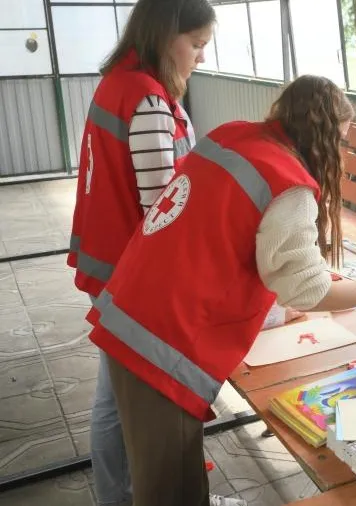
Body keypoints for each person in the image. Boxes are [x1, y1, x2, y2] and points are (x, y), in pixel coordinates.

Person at [84, 75, 356, 506]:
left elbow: (230, 241)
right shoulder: (288, 183)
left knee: (173, 466)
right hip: (160, 342)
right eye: (340, 139)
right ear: (321, 134)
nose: (342, 151)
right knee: (166, 482)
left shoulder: (232, 135)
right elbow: (306, 290)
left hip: (131, 307)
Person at [64, 2, 250, 505]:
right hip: (134, 274)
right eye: (195, 44)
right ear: (165, 35)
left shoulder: (120, 81)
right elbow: (162, 209)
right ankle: (120, 495)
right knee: (118, 399)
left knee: (113, 395)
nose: (201, 58)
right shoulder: (147, 100)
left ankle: (115, 495)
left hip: (115, 263)